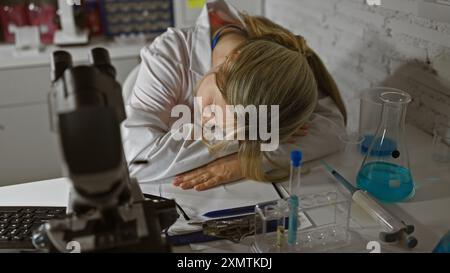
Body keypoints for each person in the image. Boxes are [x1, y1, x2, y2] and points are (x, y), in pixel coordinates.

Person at [122, 0, 346, 191]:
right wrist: (252, 137)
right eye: (212, 108)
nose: (207, 122)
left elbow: (333, 130)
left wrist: (246, 162)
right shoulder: (170, 53)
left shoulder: (281, 68)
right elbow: (137, 162)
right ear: (231, 60)